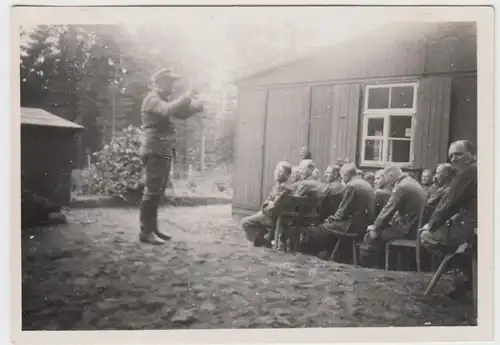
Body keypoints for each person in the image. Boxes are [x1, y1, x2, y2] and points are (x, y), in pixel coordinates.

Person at [138, 68, 204, 245]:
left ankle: (153, 229)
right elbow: (168, 110)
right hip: (154, 149)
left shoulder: (161, 99)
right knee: (152, 191)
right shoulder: (152, 99)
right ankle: (145, 231)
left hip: (162, 149)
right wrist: (187, 95)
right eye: (169, 82)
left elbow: (181, 112)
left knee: (157, 191)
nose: (172, 86)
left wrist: (199, 104)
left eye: (173, 82)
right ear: (160, 82)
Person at [420, 140, 477, 299]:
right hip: (477, 225)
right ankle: (466, 272)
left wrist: (430, 226)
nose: (453, 159)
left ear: (472, 154)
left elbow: (448, 204)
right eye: (451, 155)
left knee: (427, 237)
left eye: (458, 154)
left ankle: (465, 275)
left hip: (470, 229)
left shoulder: (468, 172)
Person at [303, 163, 375, 259]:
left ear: (346, 174)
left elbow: (343, 209)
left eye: (342, 177)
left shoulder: (352, 186)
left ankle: (321, 255)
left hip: (351, 225)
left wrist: (332, 218)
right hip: (364, 224)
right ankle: (333, 253)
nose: (342, 179)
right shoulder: (366, 184)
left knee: (317, 229)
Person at [361, 164, 426, 267]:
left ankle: (375, 267)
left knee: (373, 235)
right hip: (415, 226)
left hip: (408, 229)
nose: (387, 181)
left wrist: (374, 226)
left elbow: (388, 209)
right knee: (381, 230)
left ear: (391, 175)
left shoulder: (402, 187)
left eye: (386, 178)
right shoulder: (411, 182)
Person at [241, 161, 293, 248]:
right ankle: (261, 240)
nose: (278, 173)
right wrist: (268, 204)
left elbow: (272, 208)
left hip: (272, 218)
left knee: (245, 222)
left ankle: (260, 241)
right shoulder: (286, 186)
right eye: (277, 170)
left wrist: (265, 206)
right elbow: (270, 203)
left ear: (287, 175)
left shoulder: (282, 188)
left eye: (281, 172)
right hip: (278, 218)